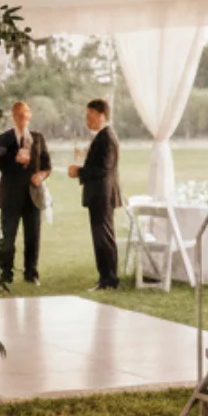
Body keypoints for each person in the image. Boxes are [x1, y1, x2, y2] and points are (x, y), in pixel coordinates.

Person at [0, 101, 51, 286]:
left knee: (33, 237)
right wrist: (14, 160)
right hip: (10, 196)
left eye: (25, 114)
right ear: (13, 116)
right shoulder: (3, 139)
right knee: (8, 238)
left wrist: (41, 176)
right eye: (18, 114)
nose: (22, 118)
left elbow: (47, 165)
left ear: (30, 115)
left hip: (33, 196)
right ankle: (6, 273)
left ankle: (31, 274)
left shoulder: (38, 138)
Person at [68, 98, 123, 290]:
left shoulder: (106, 137)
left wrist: (79, 172)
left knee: (104, 238)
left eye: (90, 116)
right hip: (99, 195)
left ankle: (110, 280)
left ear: (101, 115)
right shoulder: (102, 136)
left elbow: (103, 169)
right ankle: (105, 278)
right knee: (100, 237)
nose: (87, 120)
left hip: (102, 195)